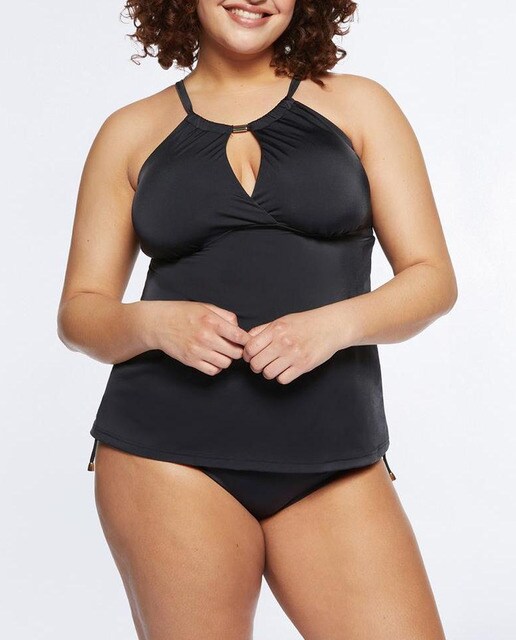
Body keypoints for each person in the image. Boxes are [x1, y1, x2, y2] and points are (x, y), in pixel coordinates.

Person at [57, 1, 457, 638]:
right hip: (167, 457)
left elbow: (432, 278)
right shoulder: (130, 130)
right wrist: (154, 325)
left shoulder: (359, 106)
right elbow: (80, 312)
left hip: (334, 455)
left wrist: (331, 328)